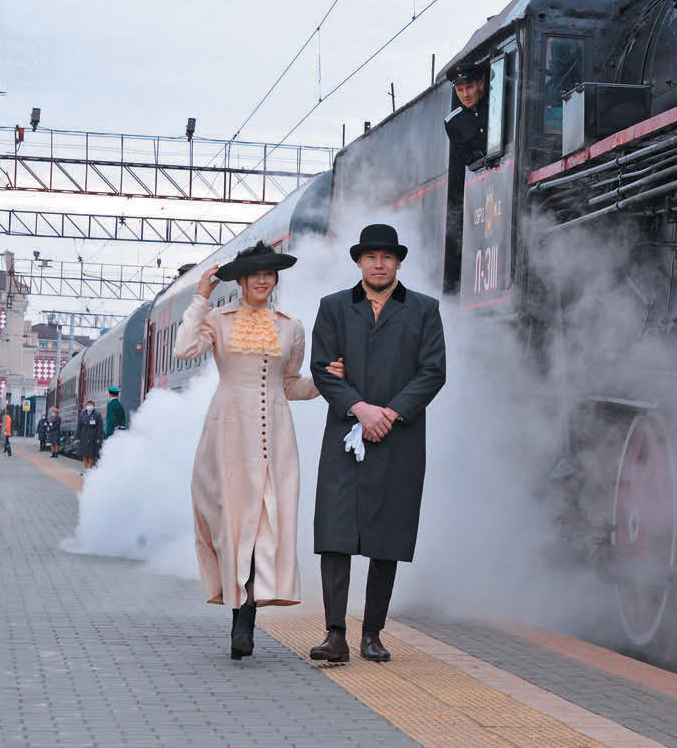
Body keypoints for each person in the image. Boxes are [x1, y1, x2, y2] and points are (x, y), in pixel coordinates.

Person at [174, 241, 345, 660]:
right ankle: (239, 611)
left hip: (275, 436)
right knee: (233, 522)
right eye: (255, 274)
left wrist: (328, 380)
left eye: (269, 274)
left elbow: (291, 385)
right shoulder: (217, 320)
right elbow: (183, 349)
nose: (263, 281)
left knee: (265, 524)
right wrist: (200, 297)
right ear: (242, 280)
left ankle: (245, 618)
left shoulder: (291, 327)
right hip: (228, 431)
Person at [308, 223, 447, 663]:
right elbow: (321, 369)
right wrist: (360, 409)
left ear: (398, 262)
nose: (379, 264)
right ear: (359, 262)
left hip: (398, 436)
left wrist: (390, 413)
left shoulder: (424, 309)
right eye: (371, 257)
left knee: (387, 535)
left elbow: (433, 371)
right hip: (345, 434)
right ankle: (335, 634)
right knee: (336, 533)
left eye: (387, 257)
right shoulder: (333, 307)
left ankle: (372, 634)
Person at [443, 61, 489, 165]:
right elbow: (468, 159)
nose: (465, 94)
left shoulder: (495, 105)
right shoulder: (453, 123)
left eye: (469, 87)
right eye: (460, 90)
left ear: (479, 84)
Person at [76, 400, 103, 473]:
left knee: (91, 455)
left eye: (91, 405)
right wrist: (77, 437)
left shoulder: (97, 415)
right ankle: (85, 470)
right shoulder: (82, 414)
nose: (89, 406)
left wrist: (98, 437)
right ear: (86, 406)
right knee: (84, 454)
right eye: (88, 405)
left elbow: (100, 427)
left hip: (93, 437)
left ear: (94, 406)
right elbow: (79, 426)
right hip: (84, 436)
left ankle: (90, 471)